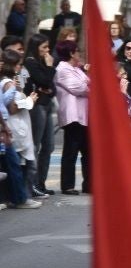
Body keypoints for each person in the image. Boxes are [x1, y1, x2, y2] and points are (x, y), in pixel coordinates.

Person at [1, 50, 39, 209]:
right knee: (19, 165)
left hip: (14, 127)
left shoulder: (9, 82)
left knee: (15, 164)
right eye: (18, 65)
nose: (20, 68)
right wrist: (30, 101)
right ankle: (20, 197)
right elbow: (12, 108)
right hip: (14, 127)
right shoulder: (8, 84)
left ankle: (17, 197)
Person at [54, 40, 89, 195]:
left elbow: (88, 83)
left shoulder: (77, 69)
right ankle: (67, 185)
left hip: (84, 115)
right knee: (71, 151)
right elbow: (78, 88)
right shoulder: (62, 69)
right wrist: (89, 86)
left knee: (88, 151)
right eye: (77, 51)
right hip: (72, 115)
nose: (79, 54)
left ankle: (90, 184)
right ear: (71, 53)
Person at [23, 34, 56, 197]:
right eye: (44, 47)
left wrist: (47, 84)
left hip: (47, 104)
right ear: (36, 47)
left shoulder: (42, 61)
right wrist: (49, 68)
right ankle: (32, 183)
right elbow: (44, 81)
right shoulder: (30, 61)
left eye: (48, 47)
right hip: (37, 107)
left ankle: (40, 183)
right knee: (35, 145)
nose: (47, 50)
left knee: (49, 145)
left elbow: (51, 86)